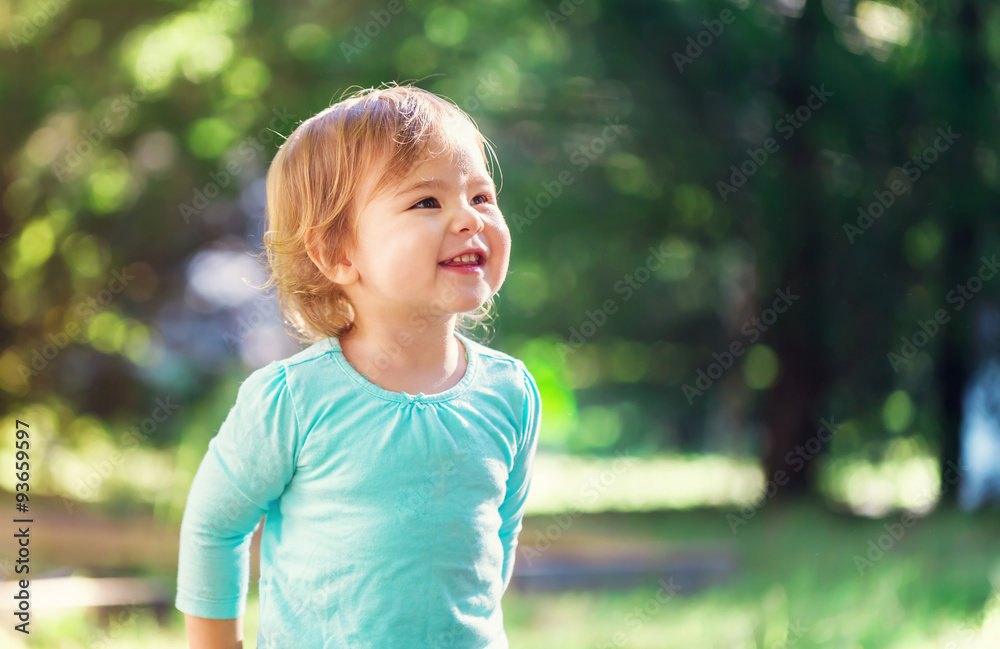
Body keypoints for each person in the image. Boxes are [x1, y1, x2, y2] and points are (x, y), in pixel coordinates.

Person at [174, 82, 543, 648]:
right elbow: (213, 527)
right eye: (427, 201)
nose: (470, 219)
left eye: (482, 196)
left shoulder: (510, 392)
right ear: (338, 254)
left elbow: (499, 538)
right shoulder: (294, 399)